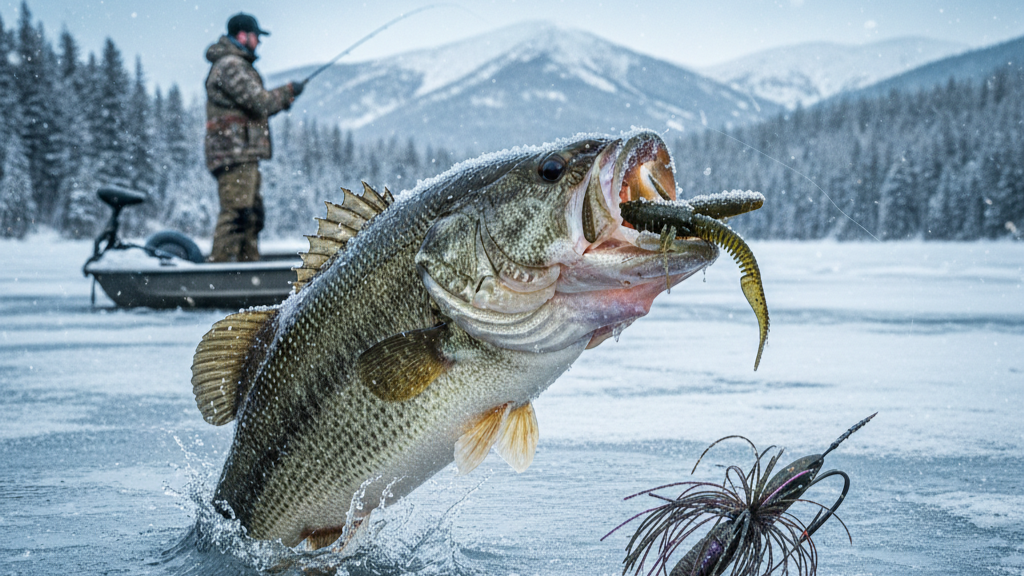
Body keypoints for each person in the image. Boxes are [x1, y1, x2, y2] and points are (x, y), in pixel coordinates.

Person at [204, 13, 304, 262]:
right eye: (256, 36)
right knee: (237, 213)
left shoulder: (235, 65)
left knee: (251, 215)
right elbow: (260, 102)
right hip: (233, 153)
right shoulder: (230, 65)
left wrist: (283, 97)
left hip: (242, 154)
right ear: (242, 35)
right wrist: (288, 92)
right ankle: (220, 274)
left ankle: (246, 269)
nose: (258, 42)